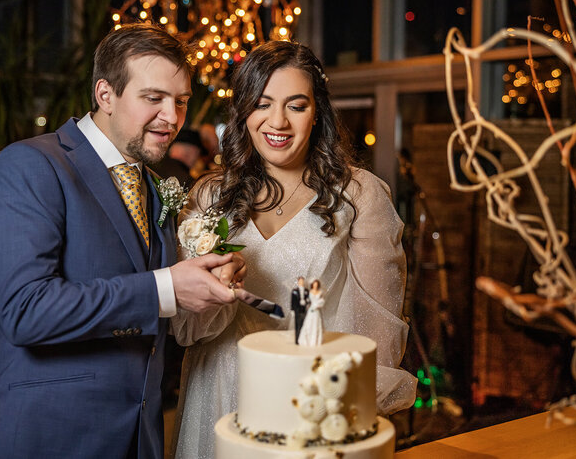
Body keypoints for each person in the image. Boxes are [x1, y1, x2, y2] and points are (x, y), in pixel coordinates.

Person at [0, 22, 245, 459]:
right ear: (105, 94)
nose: (172, 118)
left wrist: (207, 275)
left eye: (181, 101)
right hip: (44, 437)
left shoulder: (157, 186)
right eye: (153, 99)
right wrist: (165, 289)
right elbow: (25, 311)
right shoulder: (31, 165)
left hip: (136, 438)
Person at [170, 40, 417, 459]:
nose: (277, 121)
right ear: (244, 111)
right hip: (214, 391)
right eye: (262, 104)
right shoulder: (210, 197)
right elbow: (184, 329)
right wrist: (216, 294)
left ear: (317, 111)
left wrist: (331, 420)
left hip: (307, 402)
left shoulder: (360, 196)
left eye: (296, 105)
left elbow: (379, 339)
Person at [298, 279, 324, 346]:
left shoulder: (320, 292)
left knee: (316, 323)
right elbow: (308, 301)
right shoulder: (309, 292)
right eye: (314, 284)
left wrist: (317, 305)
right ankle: (307, 340)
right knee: (309, 323)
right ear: (312, 285)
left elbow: (322, 301)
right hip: (310, 309)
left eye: (316, 284)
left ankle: (315, 341)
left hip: (316, 310)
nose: (315, 285)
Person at [290, 276, 310, 343]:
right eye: (300, 281)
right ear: (298, 282)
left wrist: (306, 301)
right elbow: (292, 301)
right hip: (297, 310)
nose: (301, 282)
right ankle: (297, 340)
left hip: (304, 310)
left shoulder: (307, 291)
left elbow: (309, 300)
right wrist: (292, 310)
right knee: (297, 325)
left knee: (304, 325)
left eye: (302, 281)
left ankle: (303, 339)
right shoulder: (294, 291)